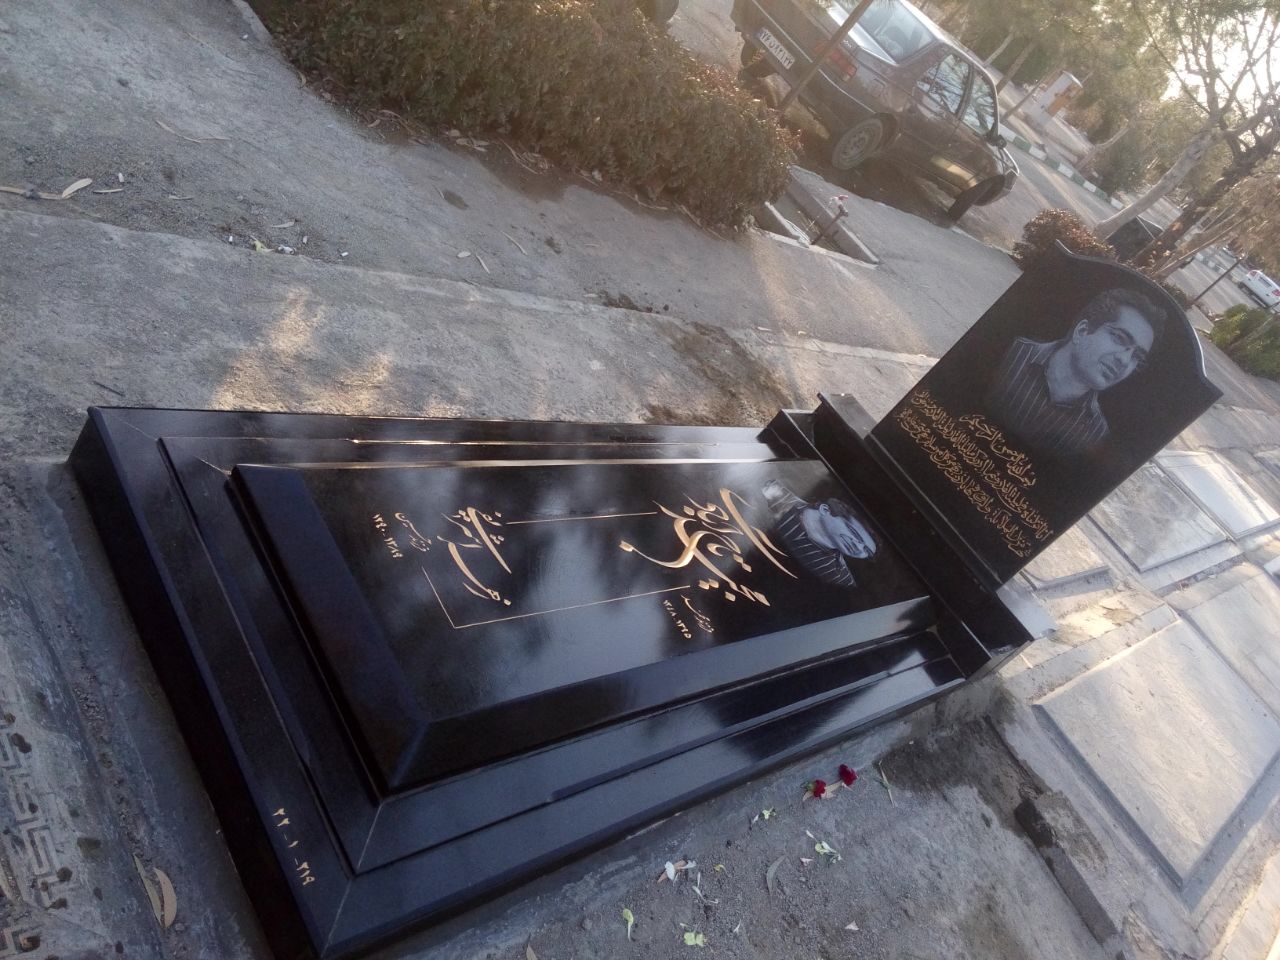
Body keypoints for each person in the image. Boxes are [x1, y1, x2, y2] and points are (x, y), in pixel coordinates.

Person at [985, 287, 1164, 459]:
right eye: (1119, 338)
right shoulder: (1008, 351)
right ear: (1082, 331)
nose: (1124, 361)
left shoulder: (1096, 433)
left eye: (1137, 357)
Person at [760, 480, 877, 587]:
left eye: (866, 550)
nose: (858, 548)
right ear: (825, 510)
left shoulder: (839, 577)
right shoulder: (779, 495)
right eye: (854, 534)